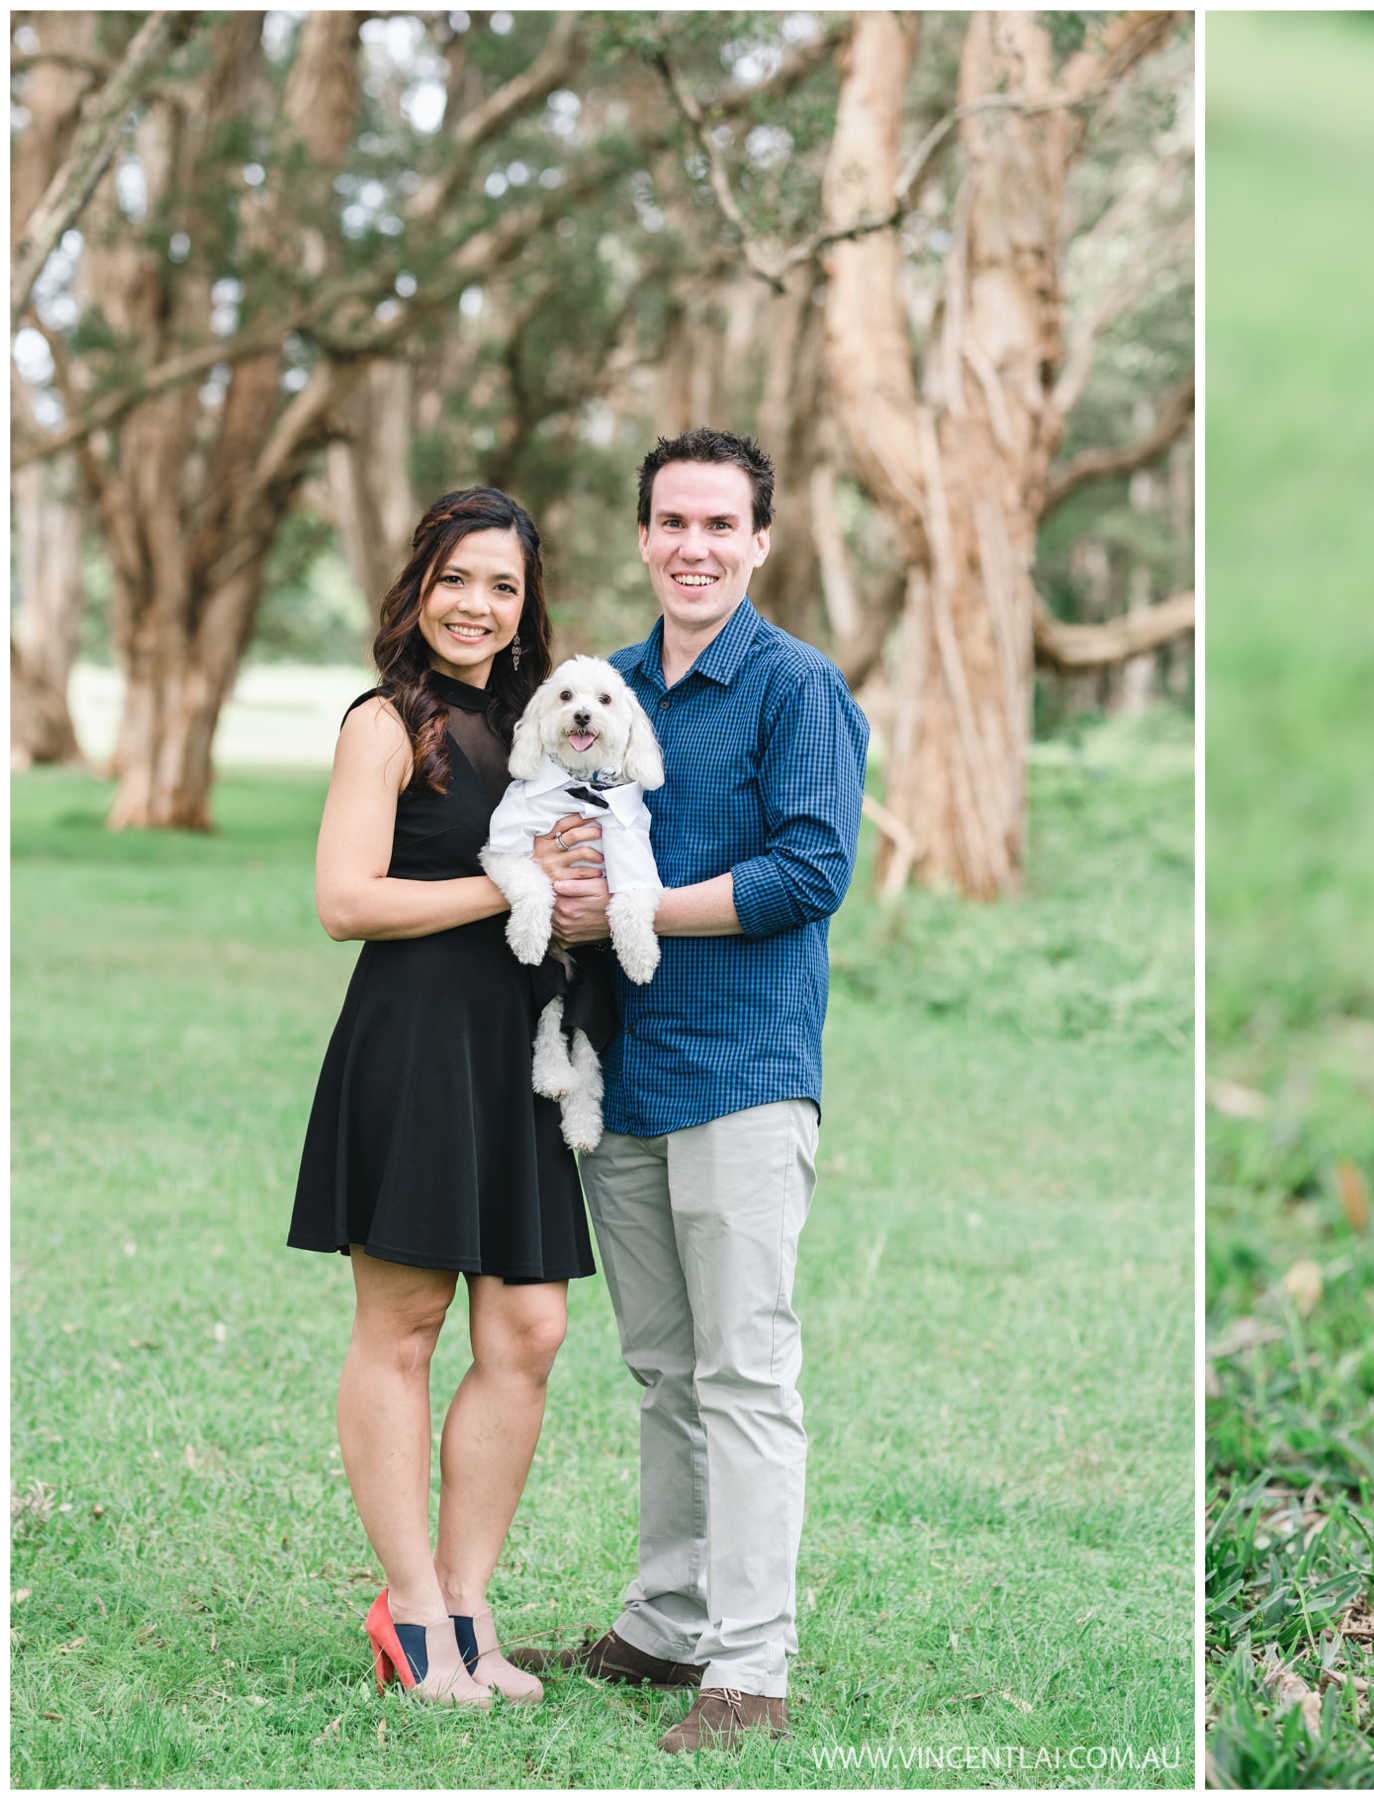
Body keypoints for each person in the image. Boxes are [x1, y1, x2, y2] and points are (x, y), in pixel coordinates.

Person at [513, 429, 867, 1754]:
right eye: (673, 522)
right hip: (624, 1072)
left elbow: (811, 872)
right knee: (665, 1371)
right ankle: (664, 1627)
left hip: (742, 1075)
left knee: (745, 1375)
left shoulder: (796, 689)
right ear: (645, 534)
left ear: (761, 541)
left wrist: (638, 907)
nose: (695, 546)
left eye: (722, 525)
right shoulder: (606, 688)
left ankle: (750, 1672)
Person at [288, 488, 598, 1710]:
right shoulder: (385, 723)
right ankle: (408, 1609)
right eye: (458, 579)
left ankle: (470, 1605)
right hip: (414, 1042)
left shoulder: (544, 722)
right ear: (420, 585)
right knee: (404, 1327)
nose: (478, 605)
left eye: (504, 587)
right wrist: (503, 882)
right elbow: (345, 902)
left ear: (527, 608)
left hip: (519, 1045)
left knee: (530, 1330)